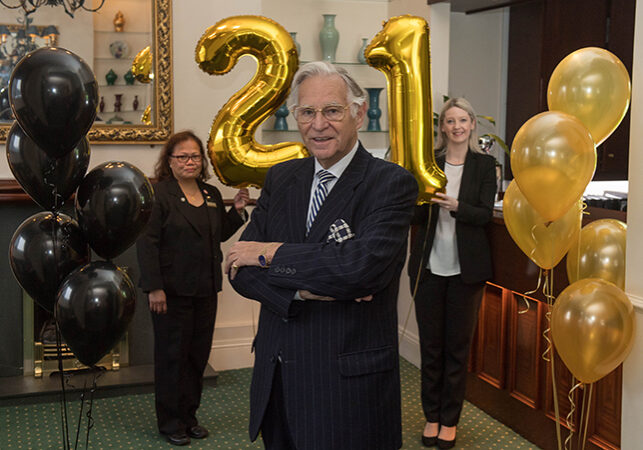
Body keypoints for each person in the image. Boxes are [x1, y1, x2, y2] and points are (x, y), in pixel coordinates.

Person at [224, 61, 418, 450]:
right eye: (307, 112)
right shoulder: (281, 178)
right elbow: (238, 269)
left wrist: (269, 253)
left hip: (347, 391)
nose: (318, 124)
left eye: (332, 110)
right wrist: (304, 291)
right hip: (276, 379)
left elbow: (359, 271)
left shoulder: (390, 183)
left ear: (359, 114)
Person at [136, 130, 249, 446]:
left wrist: (237, 211)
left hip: (205, 289)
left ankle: (189, 418)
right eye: (182, 156)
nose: (189, 161)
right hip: (170, 293)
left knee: (196, 357)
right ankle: (170, 423)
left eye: (195, 156)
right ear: (169, 162)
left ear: (203, 161)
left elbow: (218, 235)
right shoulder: (158, 195)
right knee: (172, 358)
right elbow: (148, 243)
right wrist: (154, 288)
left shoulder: (211, 193)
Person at [407, 98, 497, 449]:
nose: (456, 126)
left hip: (466, 272)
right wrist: (411, 200)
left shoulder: (485, 165)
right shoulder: (429, 165)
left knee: (456, 351)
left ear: (473, 124)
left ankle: (450, 422)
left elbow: (484, 214)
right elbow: (415, 218)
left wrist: (457, 206)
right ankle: (432, 417)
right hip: (428, 270)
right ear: (441, 128)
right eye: (449, 121)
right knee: (431, 349)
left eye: (463, 120)